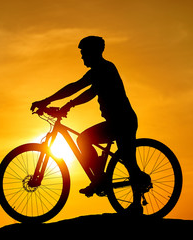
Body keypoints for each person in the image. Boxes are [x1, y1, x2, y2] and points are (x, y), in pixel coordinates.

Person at [31, 36, 145, 214]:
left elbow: (82, 89)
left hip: (123, 121)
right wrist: (60, 104)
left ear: (93, 53)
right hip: (117, 121)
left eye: (84, 53)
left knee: (121, 157)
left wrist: (52, 102)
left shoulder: (105, 68)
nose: (82, 57)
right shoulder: (98, 71)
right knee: (122, 157)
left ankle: (123, 195)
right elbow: (82, 89)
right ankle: (99, 177)